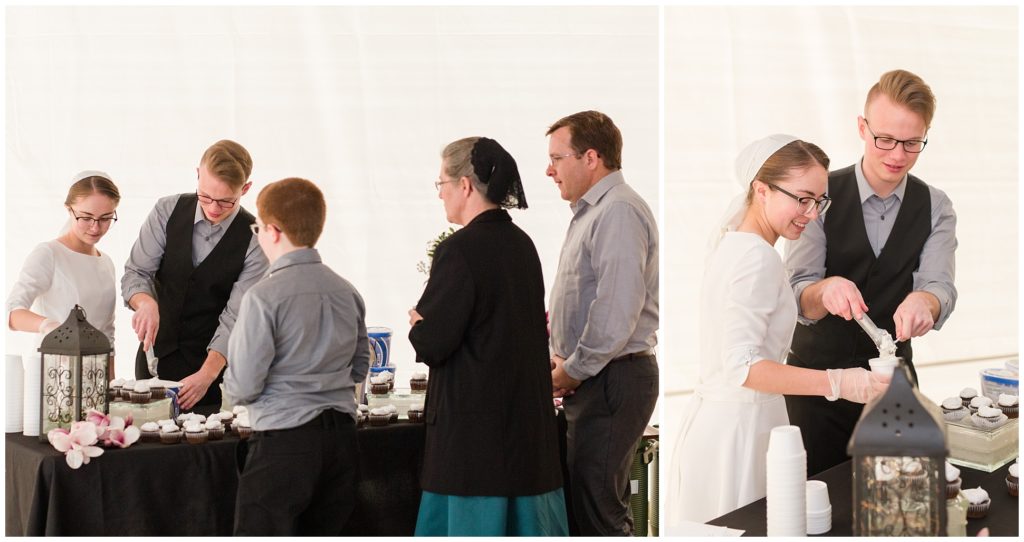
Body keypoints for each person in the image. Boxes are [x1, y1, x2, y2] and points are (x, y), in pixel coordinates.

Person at [666, 135, 890, 526]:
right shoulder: (757, 257)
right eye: (802, 199)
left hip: (725, 424)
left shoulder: (734, 244)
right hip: (740, 430)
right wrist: (839, 382)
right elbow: (743, 368)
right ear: (761, 190)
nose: (812, 214)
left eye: (819, 201)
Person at [784, 69, 958, 476]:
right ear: (862, 128)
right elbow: (797, 290)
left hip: (894, 389)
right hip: (817, 388)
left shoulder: (936, 206)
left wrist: (925, 301)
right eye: (886, 139)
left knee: (901, 498)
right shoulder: (819, 194)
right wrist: (824, 290)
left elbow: (940, 286)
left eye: (912, 143)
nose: (897, 155)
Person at [408, 137, 567, 536]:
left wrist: (418, 324)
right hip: (524, 436)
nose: (440, 194)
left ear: (464, 185)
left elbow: (434, 343)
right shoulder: (523, 245)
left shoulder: (459, 250)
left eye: (442, 183)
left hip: (474, 446)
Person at [225, 177, 369, 535]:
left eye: (258, 228)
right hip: (342, 442)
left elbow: (243, 387)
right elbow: (360, 367)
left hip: (284, 443)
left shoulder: (263, 297)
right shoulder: (347, 291)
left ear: (273, 232)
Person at [545, 110, 659, 536]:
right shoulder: (596, 212)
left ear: (591, 157)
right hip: (601, 376)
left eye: (557, 158)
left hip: (612, 378)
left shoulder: (618, 212)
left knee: (599, 516)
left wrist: (573, 370)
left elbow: (616, 309)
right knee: (590, 506)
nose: (549, 170)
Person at [122, 140, 269, 413]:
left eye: (226, 201)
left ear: (245, 189)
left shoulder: (256, 240)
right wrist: (145, 303)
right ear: (198, 174)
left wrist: (207, 375)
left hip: (213, 373)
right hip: (154, 362)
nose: (213, 208)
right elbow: (137, 272)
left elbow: (237, 317)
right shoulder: (166, 211)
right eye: (205, 196)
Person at [7, 171, 121, 375]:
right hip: (53, 373)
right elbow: (12, 313)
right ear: (69, 209)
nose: (95, 227)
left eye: (105, 218)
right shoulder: (49, 254)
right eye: (86, 217)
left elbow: (107, 334)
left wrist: (110, 384)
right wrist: (48, 326)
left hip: (93, 378)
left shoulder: (106, 263)